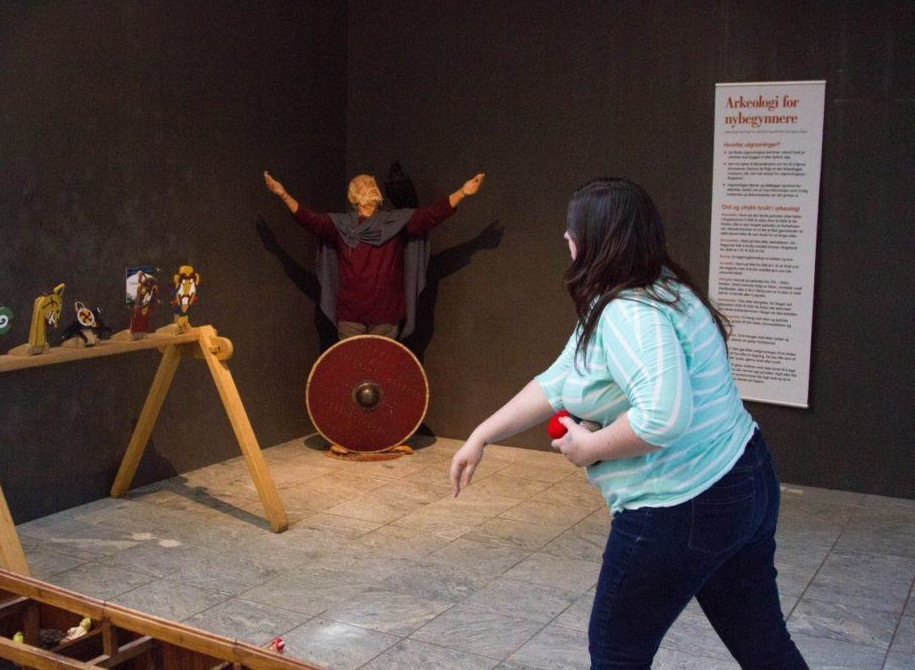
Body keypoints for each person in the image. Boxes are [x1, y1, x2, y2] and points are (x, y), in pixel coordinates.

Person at [449, 178, 806, 669]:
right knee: (763, 643)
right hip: (745, 480)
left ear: (596, 239)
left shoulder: (628, 312)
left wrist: (590, 448)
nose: (565, 239)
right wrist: (482, 434)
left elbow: (663, 418)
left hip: (684, 504)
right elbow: (560, 379)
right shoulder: (657, 287)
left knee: (617, 652)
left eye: (572, 231)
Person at [264, 170, 484, 340]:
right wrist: (283, 195)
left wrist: (462, 193)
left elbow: (430, 215)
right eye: (364, 184)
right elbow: (311, 220)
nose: (370, 186)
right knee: (352, 372)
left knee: (381, 371)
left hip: (386, 314)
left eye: (372, 183)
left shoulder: (394, 222)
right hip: (351, 314)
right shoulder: (342, 225)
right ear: (353, 196)